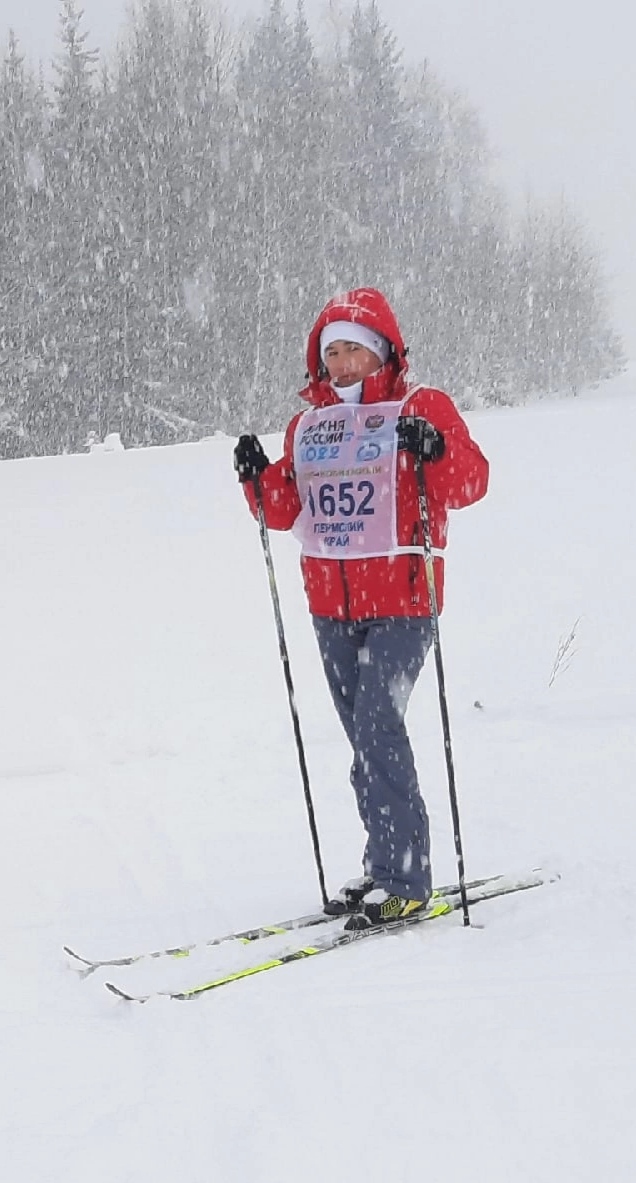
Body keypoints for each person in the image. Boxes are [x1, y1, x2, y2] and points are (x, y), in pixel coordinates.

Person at [234, 287, 489, 927]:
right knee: (363, 738)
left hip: (404, 598)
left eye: (355, 349)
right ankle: (382, 865)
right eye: (334, 352)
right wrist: (255, 476)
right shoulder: (309, 428)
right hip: (330, 603)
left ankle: (406, 875)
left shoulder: (420, 407)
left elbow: (470, 482)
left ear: (381, 352)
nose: (344, 363)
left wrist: (432, 450)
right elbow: (285, 510)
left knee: (379, 725)